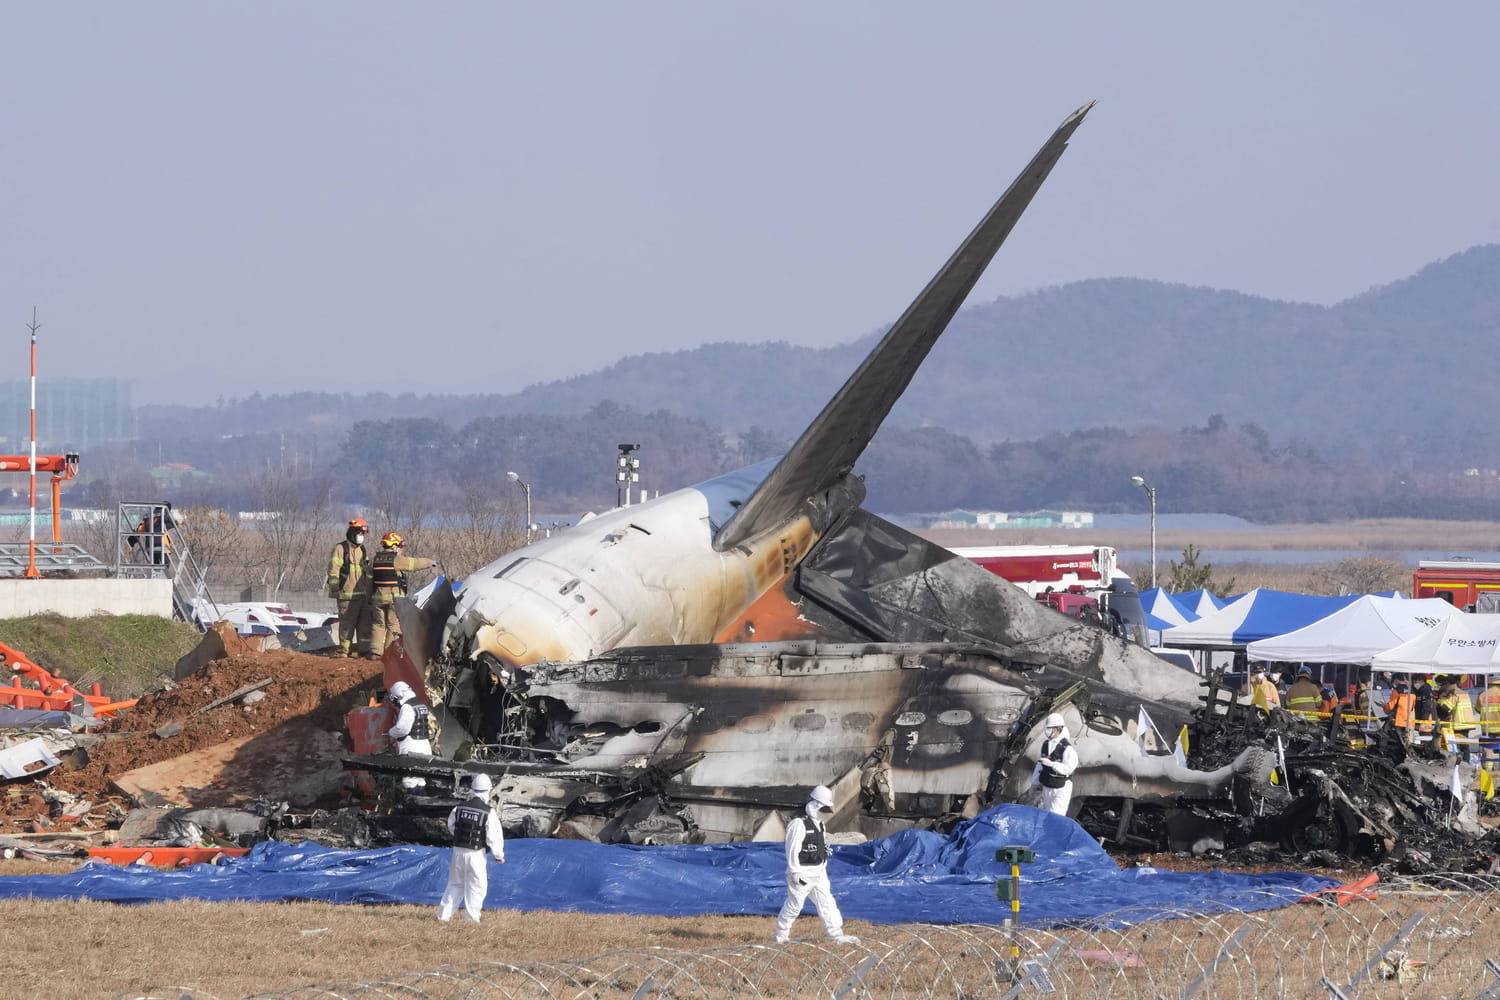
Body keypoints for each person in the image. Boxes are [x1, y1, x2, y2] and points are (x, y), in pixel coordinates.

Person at [773, 785, 859, 945]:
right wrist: (794, 872)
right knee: (794, 905)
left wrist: (823, 857)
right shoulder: (799, 823)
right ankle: (780, 936)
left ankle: (835, 934)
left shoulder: (820, 824)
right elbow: (792, 849)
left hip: (819, 871)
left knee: (827, 902)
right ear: (814, 804)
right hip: (802, 873)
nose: (824, 813)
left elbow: (820, 843)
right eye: (822, 809)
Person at [436, 773, 505, 923]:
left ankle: (443, 916)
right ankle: (472, 919)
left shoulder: (458, 808)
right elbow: (493, 836)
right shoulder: (488, 812)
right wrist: (498, 855)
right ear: (488, 791)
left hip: (458, 852)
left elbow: (451, 826)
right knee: (476, 886)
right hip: (476, 854)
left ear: (472, 789)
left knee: (455, 884)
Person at [364, 532, 438, 659]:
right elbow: (414, 563)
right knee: (393, 625)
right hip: (393, 600)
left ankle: (375, 652)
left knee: (378, 624)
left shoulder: (373, 561)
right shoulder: (396, 560)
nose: (401, 549)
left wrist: (369, 598)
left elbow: (368, 582)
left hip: (377, 599)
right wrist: (429, 562)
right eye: (399, 546)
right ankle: (389, 653)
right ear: (393, 546)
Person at [326, 518, 371, 658]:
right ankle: (344, 651)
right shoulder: (340, 549)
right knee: (347, 625)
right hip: (346, 596)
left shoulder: (362, 550)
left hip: (362, 596)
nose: (361, 536)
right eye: (359, 533)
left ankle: (363, 651)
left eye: (363, 533)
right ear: (352, 532)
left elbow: (367, 571)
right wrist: (335, 589)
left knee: (365, 626)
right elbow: (333, 571)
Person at [388, 680, 435, 791]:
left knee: (410, 781)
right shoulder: (420, 704)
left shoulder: (407, 707)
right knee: (420, 779)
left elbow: (402, 728)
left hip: (412, 748)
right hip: (424, 746)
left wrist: (390, 732)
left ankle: (411, 804)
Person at [1030, 712, 1079, 816]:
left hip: (1061, 788)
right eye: (1047, 728)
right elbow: (1040, 765)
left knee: (1055, 816)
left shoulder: (1067, 748)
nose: (1048, 732)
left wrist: (1052, 764)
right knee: (1047, 814)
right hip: (1047, 785)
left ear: (1058, 729)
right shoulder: (1045, 744)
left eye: (1050, 729)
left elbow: (1069, 768)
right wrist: (1034, 783)